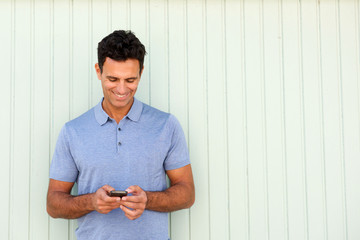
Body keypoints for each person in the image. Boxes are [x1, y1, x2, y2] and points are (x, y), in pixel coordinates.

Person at [46, 30, 195, 240]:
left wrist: (148, 200)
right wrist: (91, 202)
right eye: (113, 79)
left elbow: (187, 194)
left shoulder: (166, 125)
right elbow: (53, 204)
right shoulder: (73, 131)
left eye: (131, 79)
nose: (122, 89)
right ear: (98, 71)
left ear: (141, 72)